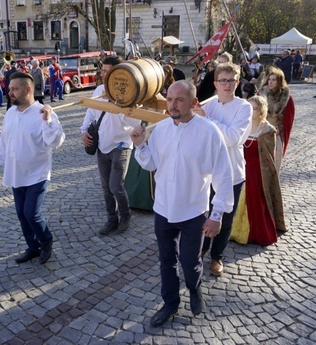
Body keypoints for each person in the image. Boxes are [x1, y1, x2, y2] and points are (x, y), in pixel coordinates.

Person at [130, 80, 234, 327]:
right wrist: (140, 145)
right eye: (169, 99)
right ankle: (170, 303)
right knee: (166, 260)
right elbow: (151, 164)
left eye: (179, 100)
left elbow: (223, 175)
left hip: (193, 211)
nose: (173, 105)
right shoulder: (162, 129)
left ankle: (195, 288)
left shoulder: (209, 132)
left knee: (189, 261)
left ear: (194, 102)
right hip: (163, 209)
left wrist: (217, 214)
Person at [0, 72, 65, 265]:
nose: (10, 92)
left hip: (37, 174)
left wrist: (48, 120)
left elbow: (55, 141)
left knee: (32, 213)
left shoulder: (44, 112)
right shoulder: (10, 113)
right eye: (10, 88)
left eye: (14, 89)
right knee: (22, 213)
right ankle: (33, 247)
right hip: (16, 173)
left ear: (28, 89)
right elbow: (4, 141)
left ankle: (46, 241)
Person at [194, 62, 252, 276]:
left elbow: (231, 137)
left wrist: (205, 120)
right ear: (216, 83)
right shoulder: (208, 105)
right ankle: (201, 249)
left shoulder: (244, 107)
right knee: (204, 214)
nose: (227, 85)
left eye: (231, 80)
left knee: (225, 218)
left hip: (232, 172)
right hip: (208, 173)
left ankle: (216, 256)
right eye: (223, 81)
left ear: (237, 83)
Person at [81, 55, 141, 235]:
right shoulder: (99, 89)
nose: (104, 74)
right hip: (103, 145)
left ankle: (125, 215)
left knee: (116, 186)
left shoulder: (127, 91)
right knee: (106, 187)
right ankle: (111, 219)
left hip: (121, 144)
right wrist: (84, 131)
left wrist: (120, 105)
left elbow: (135, 121)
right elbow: (91, 112)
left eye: (108, 72)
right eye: (103, 71)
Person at [231, 96, 287, 246]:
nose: (250, 111)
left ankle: (256, 232)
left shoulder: (267, 130)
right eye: (248, 108)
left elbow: (269, 156)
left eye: (254, 108)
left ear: (261, 110)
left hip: (258, 172)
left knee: (255, 200)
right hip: (240, 167)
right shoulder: (243, 125)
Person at [259, 66, 295, 173]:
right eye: (269, 79)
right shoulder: (261, 95)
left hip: (276, 132)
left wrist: (280, 128)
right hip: (261, 130)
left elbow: (288, 118)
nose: (270, 82)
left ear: (279, 81)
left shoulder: (286, 98)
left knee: (275, 161)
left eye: (274, 80)